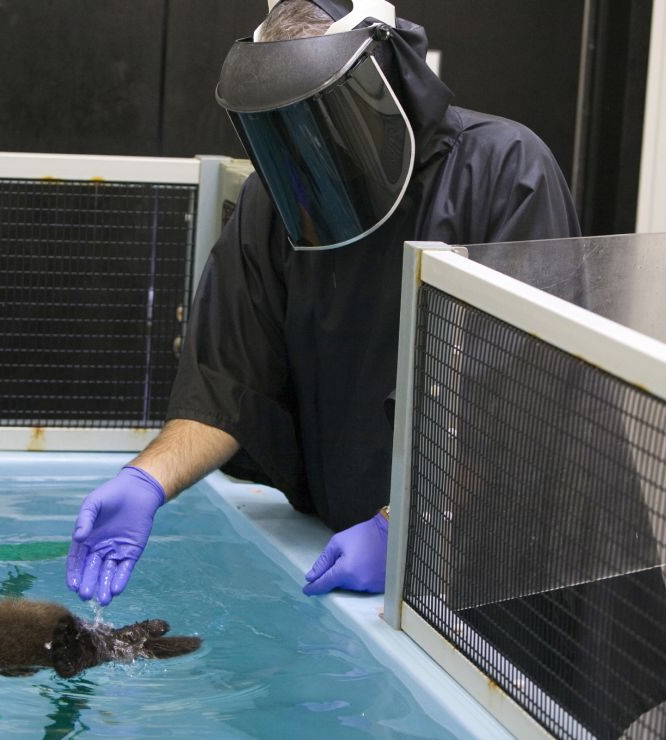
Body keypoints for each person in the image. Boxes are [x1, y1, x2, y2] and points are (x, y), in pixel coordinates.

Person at [66, 0, 577, 605]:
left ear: (380, 82)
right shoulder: (275, 202)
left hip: (501, 567)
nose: (306, 147)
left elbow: (519, 402)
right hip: (358, 552)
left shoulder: (503, 170)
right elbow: (228, 382)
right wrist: (147, 478)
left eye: (319, 117)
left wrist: (401, 524)